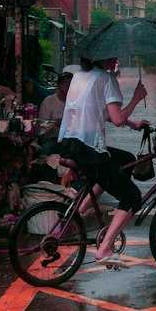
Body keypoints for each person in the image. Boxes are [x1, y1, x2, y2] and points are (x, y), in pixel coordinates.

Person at [58, 56, 147, 263]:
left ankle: (83, 207)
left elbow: (101, 112)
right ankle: (105, 249)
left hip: (69, 144)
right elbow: (116, 119)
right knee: (133, 196)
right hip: (89, 151)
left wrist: (134, 124)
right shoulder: (107, 80)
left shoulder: (79, 77)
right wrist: (136, 98)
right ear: (104, 60)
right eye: (113, 56)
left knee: (125, 159)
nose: (116, 59)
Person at [35, 67, 76, 145]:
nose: (67, 86)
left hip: (70, 138)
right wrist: (55, 123)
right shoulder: (49, 101)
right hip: (51, 138)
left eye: (70, 83)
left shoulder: (77, 103)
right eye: (64, 83)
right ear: (58, 85)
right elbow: (42, 127)